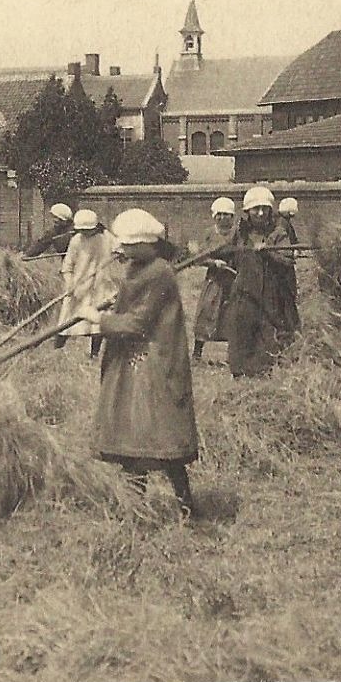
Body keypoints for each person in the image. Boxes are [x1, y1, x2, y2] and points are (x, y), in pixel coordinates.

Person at [94, 208, 199, 517]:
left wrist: (98, 320)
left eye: (126, 245)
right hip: (137, 362)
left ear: (145, 243)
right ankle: (135, 507)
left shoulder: (158, 272)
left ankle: (184, 507)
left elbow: (138, 323)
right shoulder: (142, 268)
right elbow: (137, 303)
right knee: (133, 439)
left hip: (154, 364)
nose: (120, 250)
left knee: (158, 440)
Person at [225, 186, 299, 378]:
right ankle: (238, 374)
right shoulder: (239, 233)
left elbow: (288, 259)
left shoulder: (278, 233)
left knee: (267, 333)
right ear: (247, 212)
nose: (260, 213)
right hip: (244, 291)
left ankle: (261, 374)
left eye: (264, 209)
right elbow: (228, 255)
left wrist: (269, 251)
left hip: (270, 292)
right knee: (241, 330)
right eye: (255, 209)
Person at [58, 208, 117, 358]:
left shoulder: (107, 238)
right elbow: (67, 266)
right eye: (82, 230)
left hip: (101, 286)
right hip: (79, 287)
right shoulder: (76, 240)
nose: (85, 233)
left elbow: (120, 250)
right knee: (67, 320)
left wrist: (120, 253)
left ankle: (94, 354)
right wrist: (69, 283)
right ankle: (57, 350)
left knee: (97, 324)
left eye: (88, 230)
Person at [192, 197, 238, 361]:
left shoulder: (237, 233)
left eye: (226, 215)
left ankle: (231, 355)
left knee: (231, 315)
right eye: (219, 214)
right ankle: (197, 352)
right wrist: (213, 262)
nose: (222, 218)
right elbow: (199, 258)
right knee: (206, 312)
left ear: (232, 216)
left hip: (233, 280)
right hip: (214, 280)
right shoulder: (209, 234)